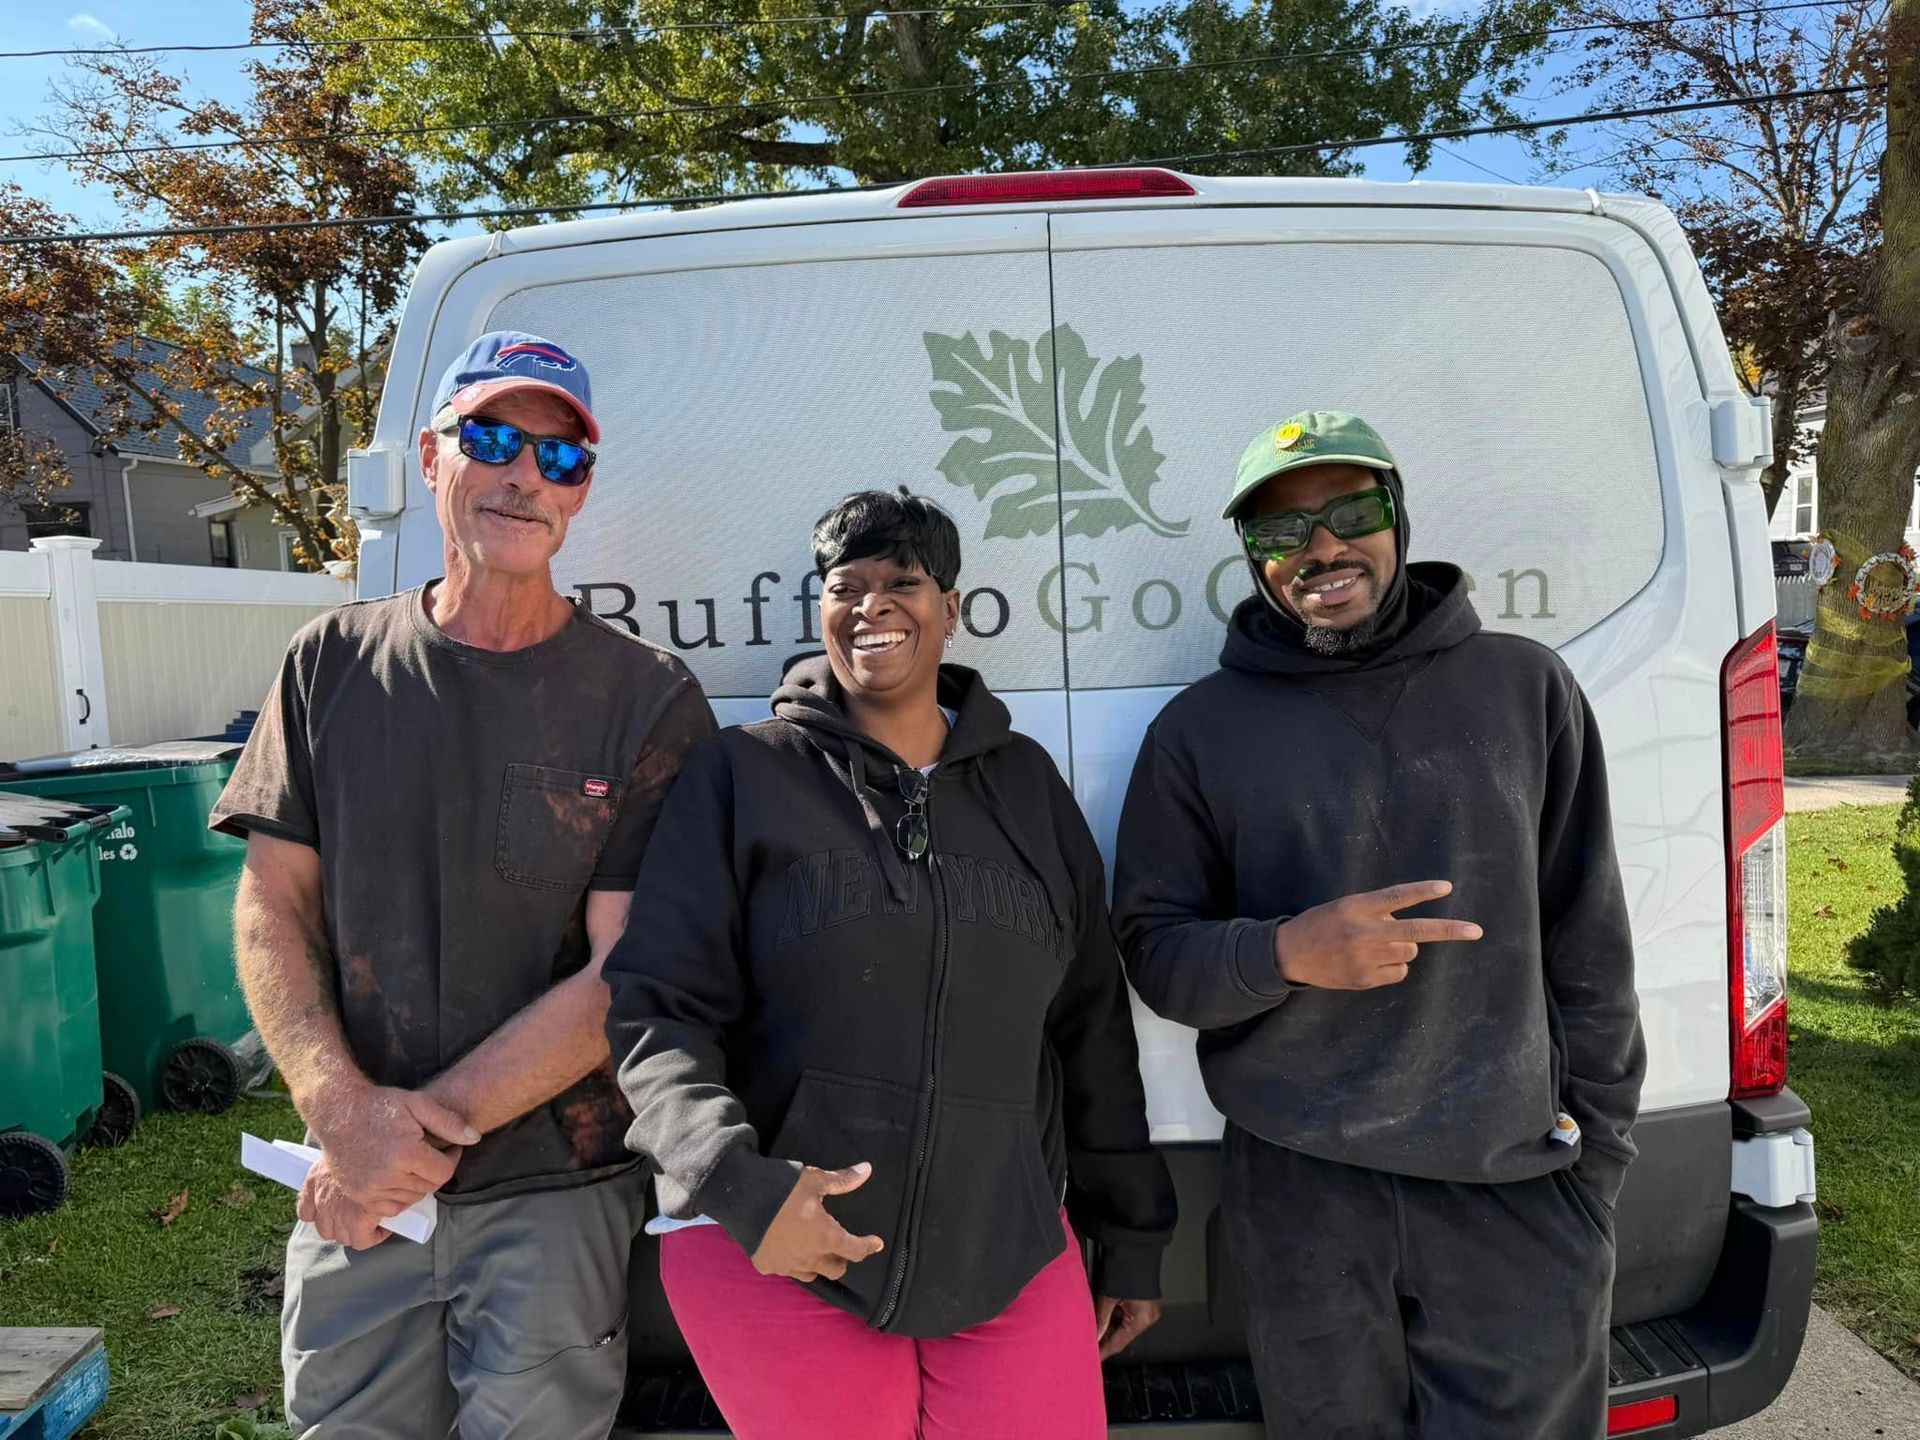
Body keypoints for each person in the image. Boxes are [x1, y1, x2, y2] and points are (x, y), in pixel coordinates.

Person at [211, 330, 715, 1438]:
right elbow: (271, 904)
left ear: (580, 492)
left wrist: (411, 1138)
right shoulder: (330, 664)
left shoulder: (645, 696)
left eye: (559, 456)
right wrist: (341, 1111)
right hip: (356, 1186)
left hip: (554, 1189)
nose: (524, 475)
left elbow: (628, 968)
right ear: (433, 457)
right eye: (491, 439)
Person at [1112, 410, 1646, 1439]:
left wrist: (1595, 1165)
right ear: (1254, 556)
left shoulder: (1524, 687)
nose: (1322, 548)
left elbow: (1590, 942)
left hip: (1514, 1181)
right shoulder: (1199, 731)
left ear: (1397, 516)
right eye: (1282, 531)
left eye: (1351, 513)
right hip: (1301, 1194)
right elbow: (1154, 951)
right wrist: (1286, 952)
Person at [602, 488, 1176, 1440]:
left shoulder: (1028, 787)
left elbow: (1089, 1025)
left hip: (1005, 1249)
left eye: (902, 583)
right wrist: (737, 1184)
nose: (872, 605)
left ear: (952, 609)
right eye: (846, 586)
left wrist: (1130, 1233)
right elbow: (657, 1006)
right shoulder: (743, 774)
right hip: (778, 1243)